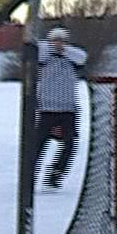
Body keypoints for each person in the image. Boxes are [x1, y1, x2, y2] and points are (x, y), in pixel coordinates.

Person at [32, 26, 88, 188]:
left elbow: (82, 57)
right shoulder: (44, 57)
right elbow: (38, 51)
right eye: (55, 40)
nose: (58, 44)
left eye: (61, 40)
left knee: (69, 144)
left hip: (68, 109)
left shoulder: (71, 57)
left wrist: (63, 50)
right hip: (47, 109)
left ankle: (55, 175)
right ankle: (31, 176)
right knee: (39, 145)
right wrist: (52, 47)